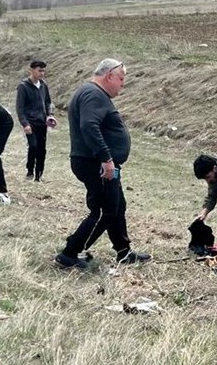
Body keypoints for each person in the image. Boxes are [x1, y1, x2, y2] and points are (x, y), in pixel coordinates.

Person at [55, 58, 149, 270]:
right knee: (103, 211)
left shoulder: (92, 93)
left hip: (99, 163)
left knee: (116, 206)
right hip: (95, 164)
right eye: (121, 79)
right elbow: (89, 125)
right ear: (109, 76)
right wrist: (106, 159)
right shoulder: (93, 94)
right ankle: (69, 253)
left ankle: (123, 251)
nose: (122, 84)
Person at [15, 59, 57, 182]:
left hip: (42, 122)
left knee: (42, 149)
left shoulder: (44, 85)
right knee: (33, 146)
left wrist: (50, 115)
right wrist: (25, 124)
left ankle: (39, 175)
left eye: (43, 71)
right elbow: (19, 107)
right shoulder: (23, 87)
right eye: (39, 70)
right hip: (30, 122)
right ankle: (29, 171)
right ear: (31, 70)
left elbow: (48, 101)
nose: (42, 73)